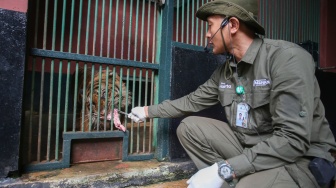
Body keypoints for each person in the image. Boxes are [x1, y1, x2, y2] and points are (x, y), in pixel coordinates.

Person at [128, 1, 336, 187]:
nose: (207, 34)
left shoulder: (286, 59)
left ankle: (237, 177)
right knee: (190, 128)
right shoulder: (226, 71)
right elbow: (192, 101)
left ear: (233, 25)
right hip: (253, 147)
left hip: (299, 160)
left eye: (210, 25)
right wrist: (147, 111)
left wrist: (224, 169)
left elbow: (292, 140)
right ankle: (238, 177)